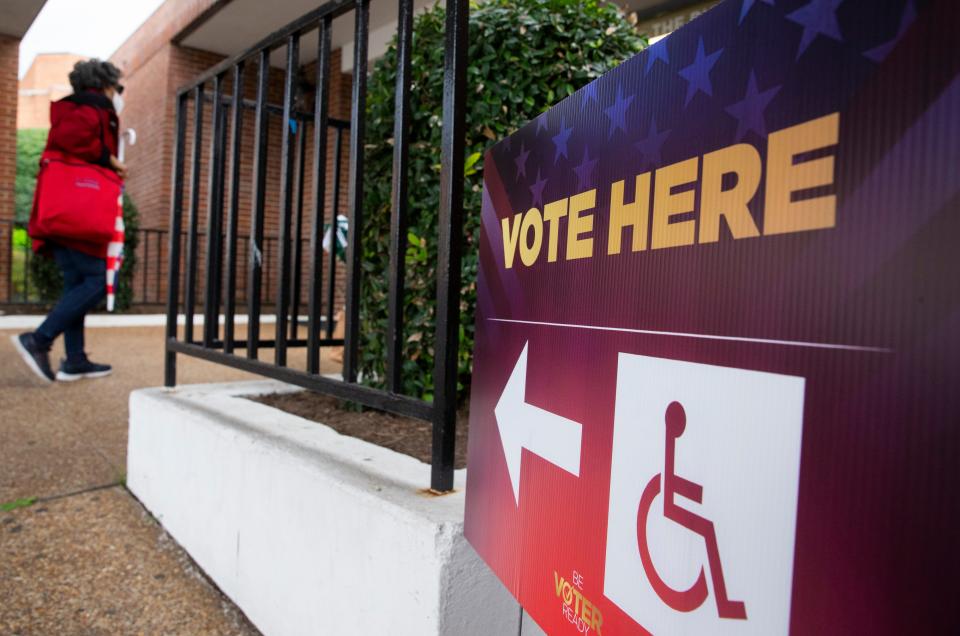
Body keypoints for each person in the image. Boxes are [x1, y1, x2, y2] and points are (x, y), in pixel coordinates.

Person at [11, 59, 128, 383]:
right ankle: (39, 339)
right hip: (80, 218)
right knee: (96, 283)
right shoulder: (91, 109)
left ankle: (74, 361)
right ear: (104, 84)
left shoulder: (78, 107)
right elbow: (73, 139)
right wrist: (109, 159)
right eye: (117, 87)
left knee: (76, 286)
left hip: (63, 215)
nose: (117, 94)